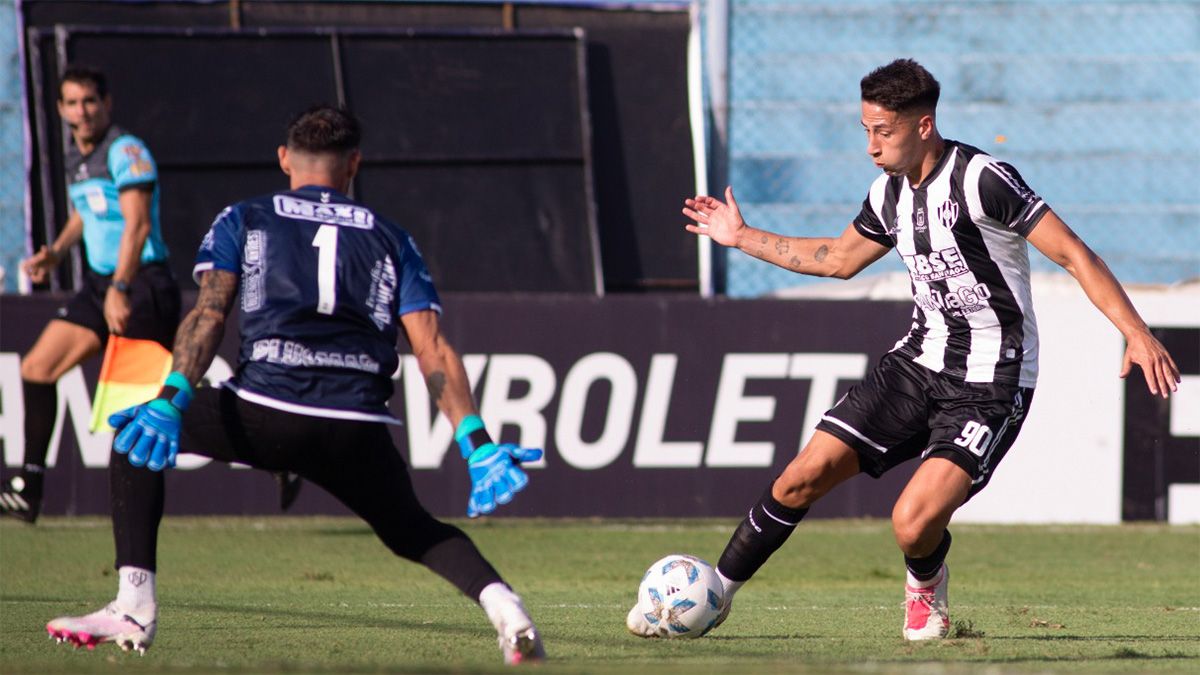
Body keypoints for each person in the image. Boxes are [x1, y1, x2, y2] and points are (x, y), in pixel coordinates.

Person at [628, 58, 1180, 641]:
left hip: (989, 384)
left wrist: (1136, 331)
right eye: (865, 130)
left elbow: (1073, 253)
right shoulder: (887, 192)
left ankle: (925, 587)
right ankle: (714, 595)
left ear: (923, 126)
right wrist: (741, 237)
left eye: (883, 131)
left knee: (912, 524)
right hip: (915, 366)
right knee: (799, 478)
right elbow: (839, 260)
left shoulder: (983, 179)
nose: (871, 145)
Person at [44, 105, 546, 665]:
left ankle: (133, 607)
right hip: (356, 425)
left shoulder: (244, 216)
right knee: (412, 529)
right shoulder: (393, 237)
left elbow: (209, 316)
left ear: (284, 158)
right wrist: (476, 443)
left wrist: (170, 398)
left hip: (265, 411)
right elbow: (433, 348)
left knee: (132, 438)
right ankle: (508, 610)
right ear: (353, 164)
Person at [1, 65, 180, 523]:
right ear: (60, 109)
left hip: (141, 284)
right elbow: (86, 211)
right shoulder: (75, 155)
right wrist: (58, 252)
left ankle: (264, 446)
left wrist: (121, 287)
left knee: (152, 403)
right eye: (72, 103)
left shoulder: (127, 151)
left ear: (106, 104)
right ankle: (29, 488)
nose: (82, 112)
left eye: (89, 101)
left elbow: (138, 224)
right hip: (101, 285)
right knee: (37, 368)